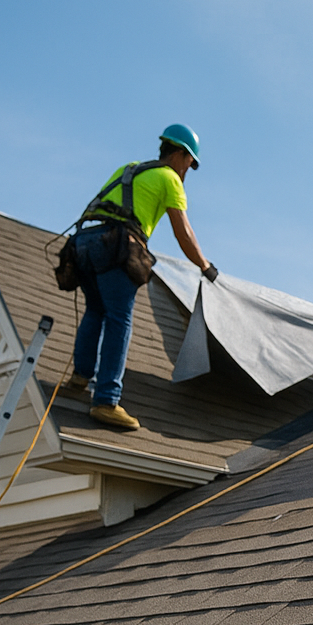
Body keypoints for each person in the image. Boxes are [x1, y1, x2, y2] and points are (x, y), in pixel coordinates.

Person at [70, 124, 217, 431]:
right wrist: (205, 266)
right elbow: (184, 233)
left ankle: (81, 376)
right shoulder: (170, 179)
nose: (189, 170)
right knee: (119, 318)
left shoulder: (131, 168)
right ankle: (106, 401)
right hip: (116, 244)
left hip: (83, 243)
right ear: (180, 155)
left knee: (96, 309)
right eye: (191, 162)